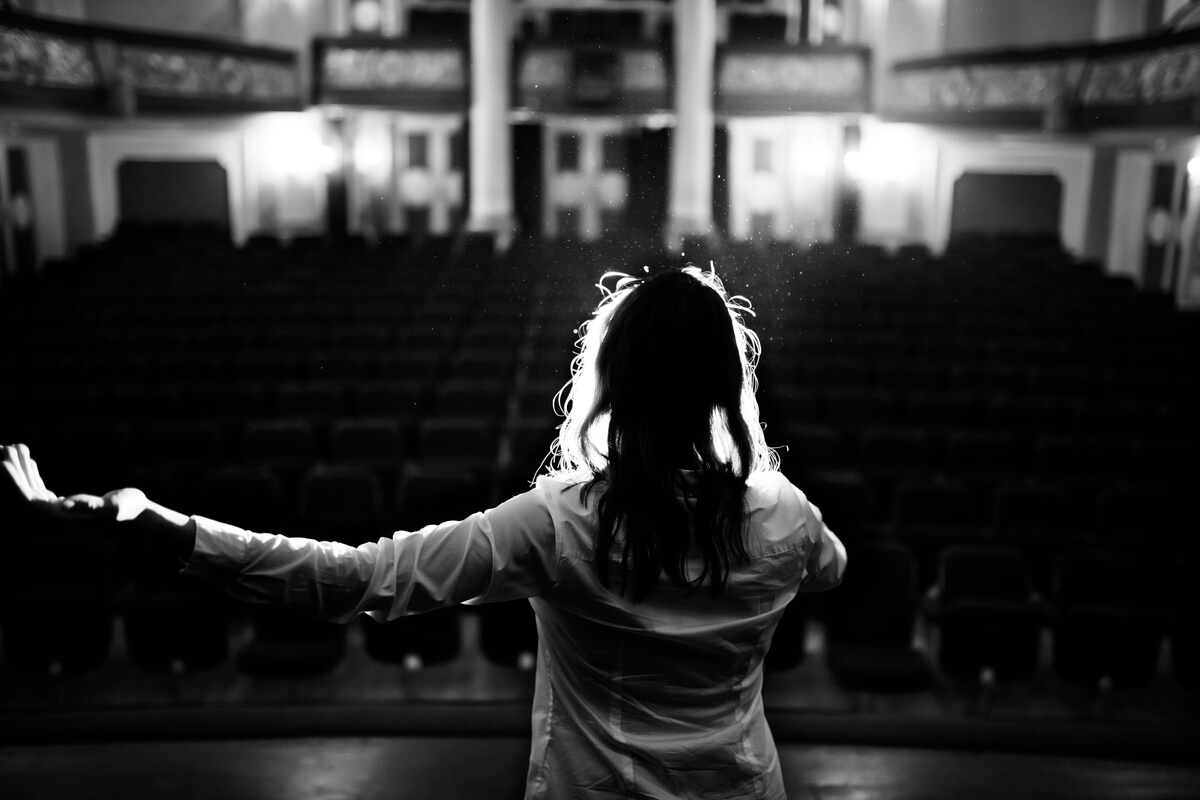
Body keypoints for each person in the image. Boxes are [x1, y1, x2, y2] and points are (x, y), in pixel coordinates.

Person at [2, 265, 846, 800]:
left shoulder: (558, 523)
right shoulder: (785, 513)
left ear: (614, 382)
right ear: (725, 385)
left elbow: (355, 581)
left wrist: (169, 527)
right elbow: (830, 570)